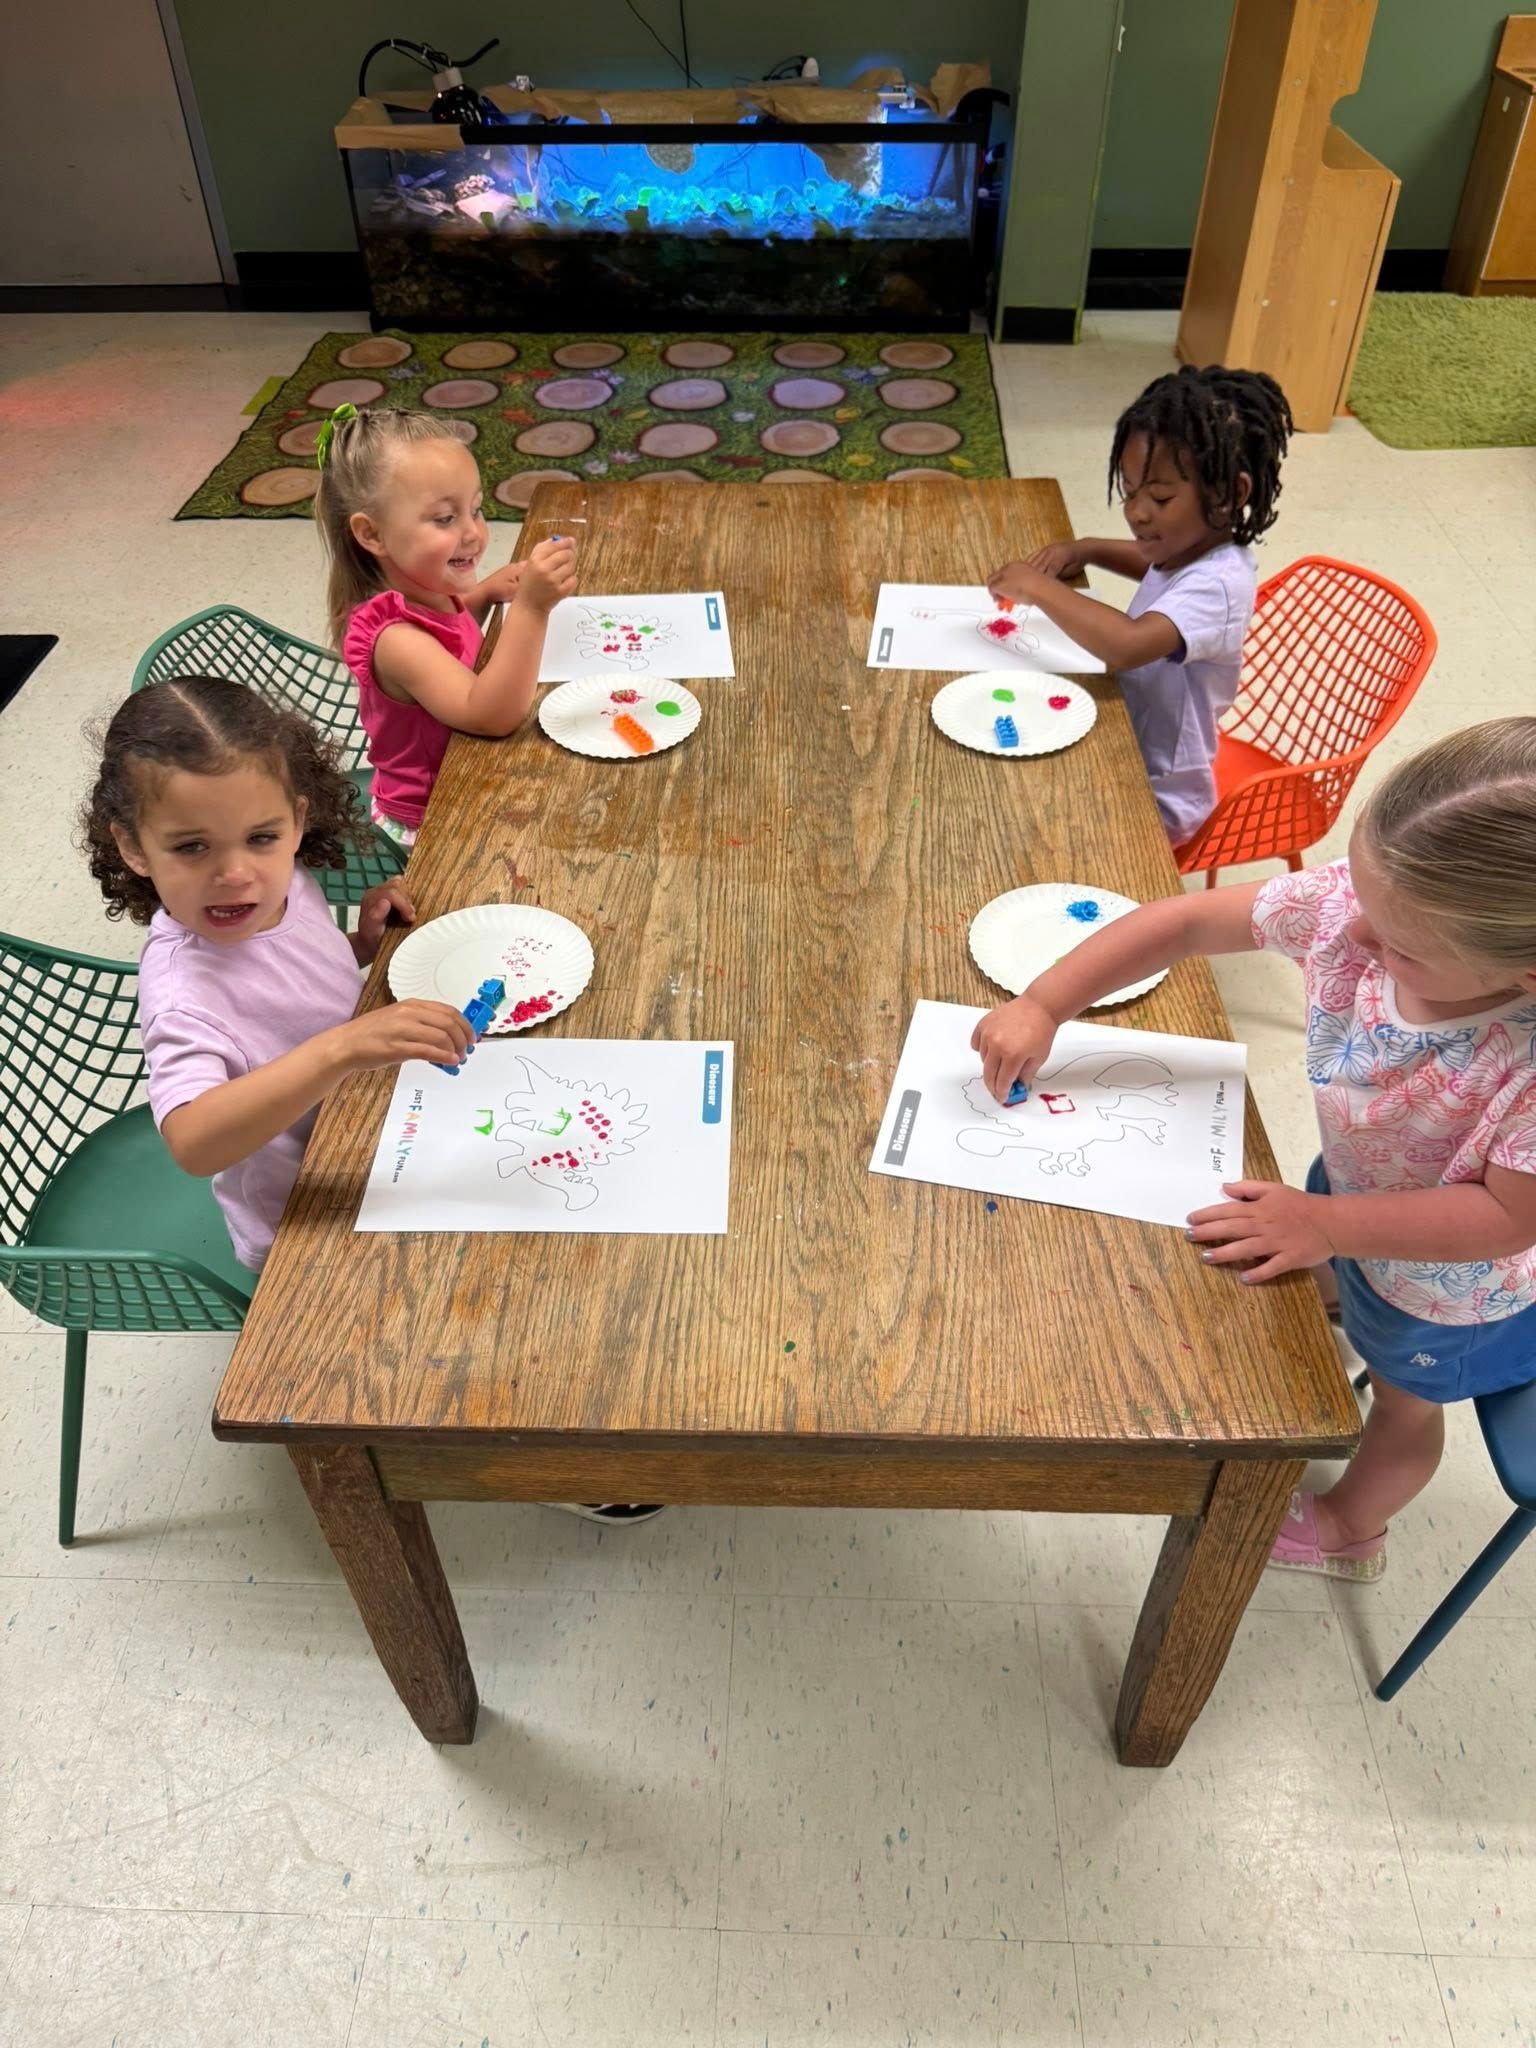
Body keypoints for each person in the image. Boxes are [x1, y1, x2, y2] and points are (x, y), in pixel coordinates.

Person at [972, 719, 1536, 1582]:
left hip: (1447, 1287)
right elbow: (1186, 920)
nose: (1352, 939)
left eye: (1397, 947)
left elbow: (1502, 1218)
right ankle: (1336, 1288)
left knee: (1404, 1409)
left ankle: (1353, 1527)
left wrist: (1327, 1224)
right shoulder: (1375, 908)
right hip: (1354, 1186)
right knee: (1320, 1259)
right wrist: (1046, 1003)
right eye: (1363, 900)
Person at [81, 676, 473, 1274]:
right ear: (134, 847)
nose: (236, 874)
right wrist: (340, 1050)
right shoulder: (184, 993)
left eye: (261, 838)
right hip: (307, 1216)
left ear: (295, 821)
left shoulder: (283, 881)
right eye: (191, 847)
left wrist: (361, 945)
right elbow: (193, 1142)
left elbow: (290, 983)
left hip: (381, 1125)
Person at [986, 364, 1293, 847]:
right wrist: (1086, 548)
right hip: (1125, 738)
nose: (1136, 512)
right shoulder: (1189, 549)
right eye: (1130, 492)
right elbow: (1154, 565)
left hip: (1157, 795)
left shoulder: (1217, 583)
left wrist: (1041, 590)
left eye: (1161, 497)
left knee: (1010, 816)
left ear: (1229, 494)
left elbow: (1126, 647)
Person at [314, 403, 577, 847]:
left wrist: (481, 597)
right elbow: (490, 715)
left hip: (470, 770)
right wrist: (530, 609)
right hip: (434, 820)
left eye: (475, 509)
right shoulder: (395, 640)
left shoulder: (426, 585)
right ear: (372, 535)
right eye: (444, 519)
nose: (473, 533)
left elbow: (448, 637)